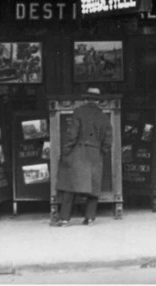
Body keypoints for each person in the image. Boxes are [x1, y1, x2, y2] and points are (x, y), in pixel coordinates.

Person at [53, 87, 112, 227]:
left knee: (70, 185)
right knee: (93, 188)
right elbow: (108, 141)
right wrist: (101, 152)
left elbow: (72, 135)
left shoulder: (79, 112)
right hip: (95, 154)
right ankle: (90, 218)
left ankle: (64, 219)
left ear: (85, 99)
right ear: (98, 101)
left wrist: (66, 151)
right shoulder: (104, 117)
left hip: (78, 152)